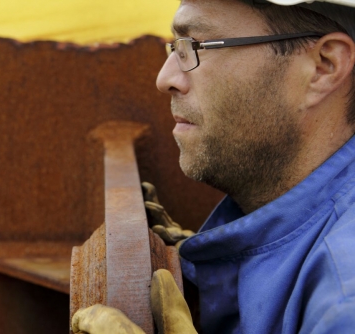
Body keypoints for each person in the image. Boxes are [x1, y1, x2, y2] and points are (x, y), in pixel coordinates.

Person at [71, 0, 355, 333]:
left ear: (324, 66)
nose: (165, 79)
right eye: (175, 46)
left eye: (196, 46)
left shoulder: (342, 300)